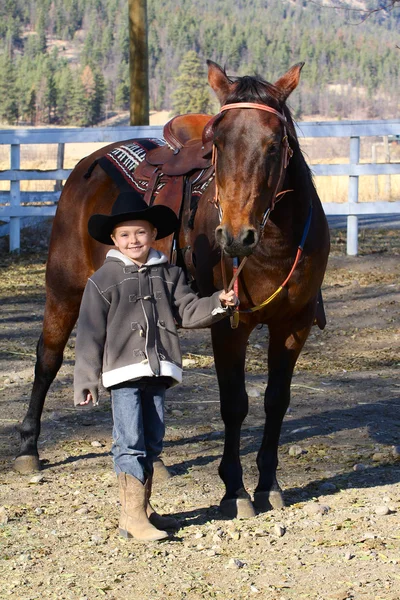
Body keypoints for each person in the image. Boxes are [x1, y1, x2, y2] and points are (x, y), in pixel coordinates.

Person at [73, 191, 238, 542]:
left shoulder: (170, 274)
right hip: (122, 373)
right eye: (125, 235)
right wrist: (87, 380)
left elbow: (188, 311)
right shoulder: (102, 280)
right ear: (114, 240)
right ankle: (132, 517)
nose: (134, 240)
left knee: (153, 439)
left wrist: (218, 303)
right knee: (129, 440)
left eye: (141, 233)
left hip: (159, 370)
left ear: (153, 235)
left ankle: (142, 508)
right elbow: (89, 334)